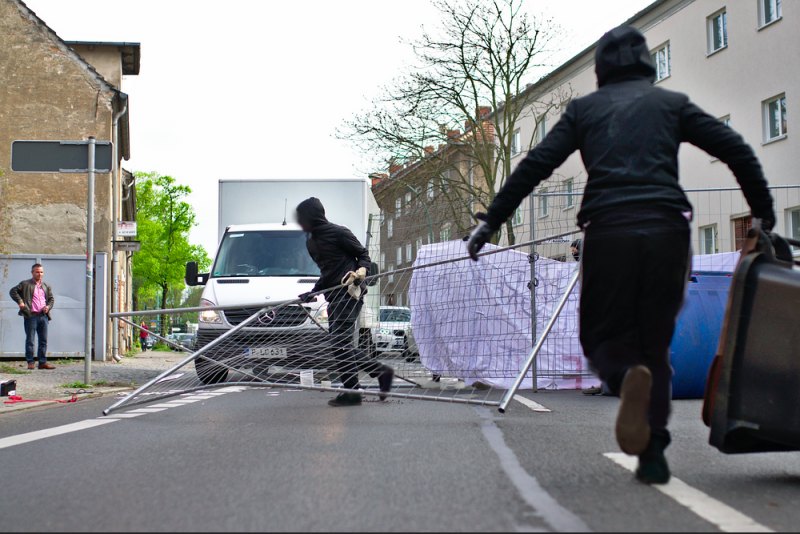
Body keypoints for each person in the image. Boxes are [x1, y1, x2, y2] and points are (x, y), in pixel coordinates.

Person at [467, 26, 774, 484]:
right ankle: (652, 453)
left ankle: (623, 375)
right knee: (654, 346)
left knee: (602, 337)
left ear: (601, 69)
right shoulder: (672, 105)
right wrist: (763, 215)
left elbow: (535, 165)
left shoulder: (585, 110)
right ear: (647, 62)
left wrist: (490, 222)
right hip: (669, 232)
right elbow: (737, 150)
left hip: (609, 232)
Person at [295, 197, 394, 407]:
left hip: (350, 292)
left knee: (339, 342)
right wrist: (313, 292)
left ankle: (353, 392)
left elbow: (362, 254)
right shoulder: (311, 242)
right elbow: (329, 272)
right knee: (341, 343)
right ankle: (380, 373)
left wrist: (362, 270)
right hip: (334, 296)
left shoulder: (339, 233)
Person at [9, 263, 56, 370]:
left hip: (43, 316)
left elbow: (51, 299)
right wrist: (21, 303)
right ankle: (30, 362)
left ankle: (42, 362)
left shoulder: (46, 286)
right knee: (30, 340)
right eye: (37, 272)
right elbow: (13, 291)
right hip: (31, 316)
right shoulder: (25, 284)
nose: (39, 274)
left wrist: (48, 307)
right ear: (32, 272)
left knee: (43, 341)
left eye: (41, 272)